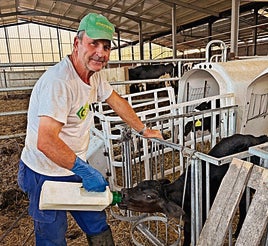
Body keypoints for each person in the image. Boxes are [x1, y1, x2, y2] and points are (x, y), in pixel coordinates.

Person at [17, 13, 162, 246]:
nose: (100, 52)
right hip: (44, 172)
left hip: (73, 165)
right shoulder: (60, 83)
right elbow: (45, 141)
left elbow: (116, 101)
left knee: (96, 222)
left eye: (106, 46)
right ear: (77, 43)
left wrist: (143, 129)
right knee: (52, 236)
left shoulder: (93, 76)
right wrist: (85, 171)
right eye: (93, 43)